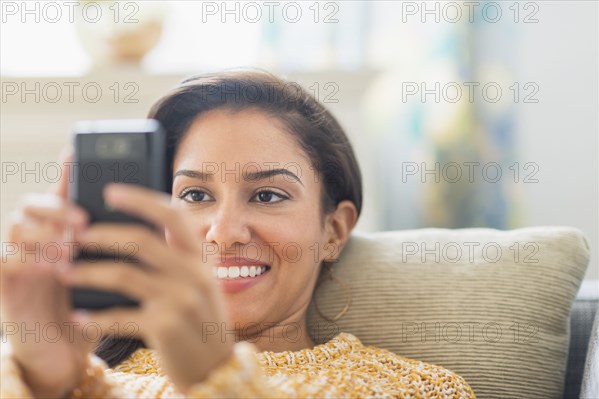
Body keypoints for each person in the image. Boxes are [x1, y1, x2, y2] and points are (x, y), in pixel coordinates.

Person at [1, 70, 477, 398]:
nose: (224, 233)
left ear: (334, 230)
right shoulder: (74, 376)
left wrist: (214, 378)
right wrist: (45, 381)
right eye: (194, 196)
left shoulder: (413, 388)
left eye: (267, 195)